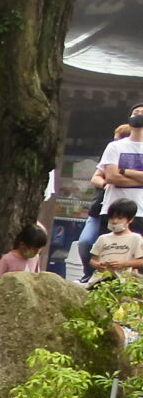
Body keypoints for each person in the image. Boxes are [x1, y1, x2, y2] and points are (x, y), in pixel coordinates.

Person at [79, 109, 143, 278]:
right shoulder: (115, 146)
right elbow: (111, 176)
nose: (139, 114)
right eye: (136, 111)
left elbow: (117, 175)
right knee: (105, 251)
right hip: (112, 210)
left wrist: (124, 171)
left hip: (141, 211)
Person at [90, 198, 143, 278]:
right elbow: (93, 260)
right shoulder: (103, 238)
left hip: (124, 280)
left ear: (130, 219)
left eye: (120, 218)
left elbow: (141, 261)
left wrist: (124, 264)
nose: (115, 221)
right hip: (102, 279)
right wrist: (98, 265)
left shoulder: (136, 238)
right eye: (111, 218)